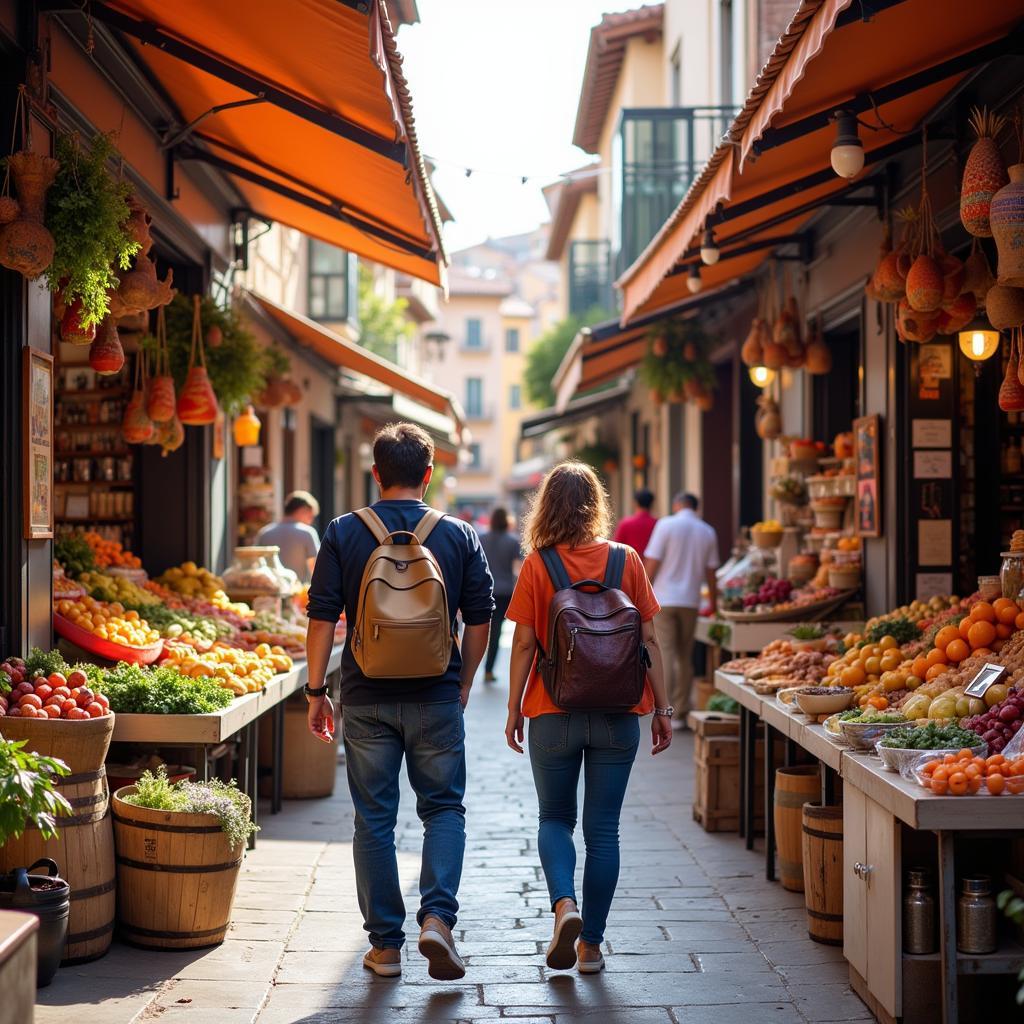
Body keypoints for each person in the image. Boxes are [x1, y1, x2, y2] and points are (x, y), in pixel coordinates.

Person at [303, 423, 494, 981]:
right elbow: (481, 618)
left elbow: (321, 618)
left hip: (366, 697)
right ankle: (437, 918)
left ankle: (385, 947)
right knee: (443, 810)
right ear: (429, 474)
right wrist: (463, 682)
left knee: (374, 821)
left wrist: (318, 691)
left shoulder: (343, 531)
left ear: (376, 473)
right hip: (437, 695)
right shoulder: (458, 534)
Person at [504, 462, 672, 975]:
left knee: (554, 818)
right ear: (597, 505)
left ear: (546, 507)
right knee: (605, 832)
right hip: (619, 714)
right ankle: (592, 946)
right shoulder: (627, 560)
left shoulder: (538, 565)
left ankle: (564, 907)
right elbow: (649, 640)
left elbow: (525, 643)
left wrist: (513, 707)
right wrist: (662, 709)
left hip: (554, 713)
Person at [644, 492, 719, 727]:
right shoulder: (707, 531)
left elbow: (652, 563)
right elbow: (711, 572)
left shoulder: (665, 525)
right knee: (685, 656)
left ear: (677, 505)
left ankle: (665, 708)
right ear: (696, 508)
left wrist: (641, 595)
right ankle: (681, 710)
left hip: (663, 599)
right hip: (691, 601)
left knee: (664, 652)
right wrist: (714, 602)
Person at [480, 506, 521, 682]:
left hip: (484, 590)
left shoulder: (481, 539)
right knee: (496, 630)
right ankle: (488, 670)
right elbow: (520, 568)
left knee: (480, 629)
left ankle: (477, 667)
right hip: (504, 592)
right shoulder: (513, 541)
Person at [256, 490, 321, 583]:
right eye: (310, 516)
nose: (310, 521)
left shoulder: (264, 532)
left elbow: (256, 564)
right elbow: (316, 568)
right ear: (302, 510)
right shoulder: (307, 533)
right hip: (297, 593)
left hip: (268, 591)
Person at [612, 488, 658, 556]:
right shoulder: (658, 524)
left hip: (630, 564)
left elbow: (615, 548)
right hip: (653, 565)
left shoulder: (626, 524)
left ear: (635, 503)